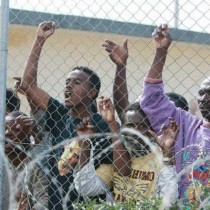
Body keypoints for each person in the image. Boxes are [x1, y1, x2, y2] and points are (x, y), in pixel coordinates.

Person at [19, 21, 112, 209]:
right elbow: (27, 85)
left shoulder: (101, 124)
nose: (68, 86)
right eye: (67, 82)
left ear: (92, 92)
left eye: (77, 82)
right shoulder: (60, 115)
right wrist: (39, 40)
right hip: (57, 204)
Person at [60, 97, 178, 206]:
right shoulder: (115, 157)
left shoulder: (158, 159)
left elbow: (169, 200)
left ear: (151, 130)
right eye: (130, 126)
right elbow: (85, 188)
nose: (135, 132)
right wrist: (85, 142)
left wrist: (167, 153)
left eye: (142, 126)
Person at [139, 24, 210, 206]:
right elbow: (151, 99)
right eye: (201, 92)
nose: (205, 98)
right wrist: (161, 52)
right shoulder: (182, 124)